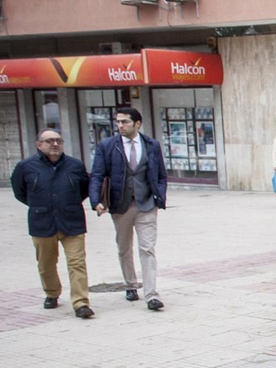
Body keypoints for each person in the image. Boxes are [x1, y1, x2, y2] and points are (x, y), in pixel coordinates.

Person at [89, 106, 167, 311]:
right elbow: (97, 175)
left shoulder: (151, 144)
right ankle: (130, 284)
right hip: (120, 204)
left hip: (146, 203)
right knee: (124, 247)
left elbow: (160, 174)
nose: (120, 125)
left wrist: (160, 194)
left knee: (147, 248)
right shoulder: (107, 145)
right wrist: (95, 200)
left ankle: (151, 295)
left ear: (137, 124)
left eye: (124, 122)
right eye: (118, 122)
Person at [11, 129, 94, 319]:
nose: (55, 144)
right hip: (42, 221)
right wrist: (41, 205)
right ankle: (52, 292)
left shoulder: (75, 165)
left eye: (58, 141)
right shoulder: (26, 167)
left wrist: (67, 204)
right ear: (39, 145)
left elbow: (84, 189)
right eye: (49, 141)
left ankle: (81, 303)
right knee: (46, 264)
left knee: (77, 263)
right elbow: (20, 192)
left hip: (72, 221)